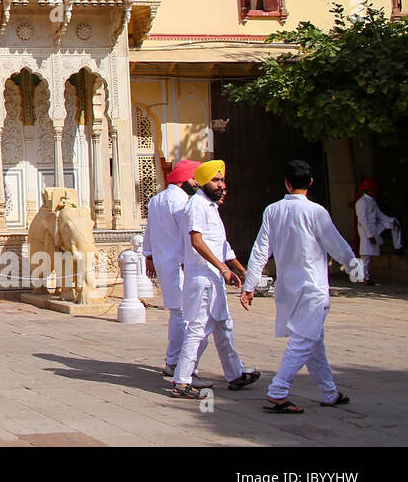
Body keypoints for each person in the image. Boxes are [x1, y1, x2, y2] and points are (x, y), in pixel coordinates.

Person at [242, 160, 366, 414]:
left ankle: (329, 392)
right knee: (304, 340)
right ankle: (278, 391)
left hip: (288, 289)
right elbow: (336, 243)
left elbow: (260, 250)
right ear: (310, 182)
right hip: (312, 287)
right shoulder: (316, 212)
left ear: (287, 183)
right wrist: (355, 268)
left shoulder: (272, 211)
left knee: (313, 341)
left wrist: (250, 284)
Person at [170, 161, 260, 399]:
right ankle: (181, 381)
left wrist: (242, 271)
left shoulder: (211, 207)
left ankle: (235, 374)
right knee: (197, 328)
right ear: (202, 182)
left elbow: (222, 246)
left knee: (223, 326)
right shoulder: (196, 206)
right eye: (216, 181)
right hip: (203, 278)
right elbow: (197, 241)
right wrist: (223, 269)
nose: (221, 185)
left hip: (214, 277)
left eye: (222, 180)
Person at [143, 159, 201, 376]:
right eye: (193, 179)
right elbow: (188, 235)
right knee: (182, 314)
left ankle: (176, 359)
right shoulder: (181, 202)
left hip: (165, 261)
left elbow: (149, 230)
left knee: (180, 312)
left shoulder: (157, 200)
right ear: (183, 179)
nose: (196, 184)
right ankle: (175, 360)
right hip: (179, 264)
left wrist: (149, 255)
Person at [354, 178, 402, 285]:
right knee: (365, 256)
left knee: (394, 223)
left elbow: (380, 215)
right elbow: (362, 220)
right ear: (369, 190)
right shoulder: (361, 202)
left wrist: (390, 221)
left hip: (374, 227)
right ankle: (364, 278)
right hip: (366, 230)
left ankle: (398, 246)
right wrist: (369, 235)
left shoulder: (373, 202)